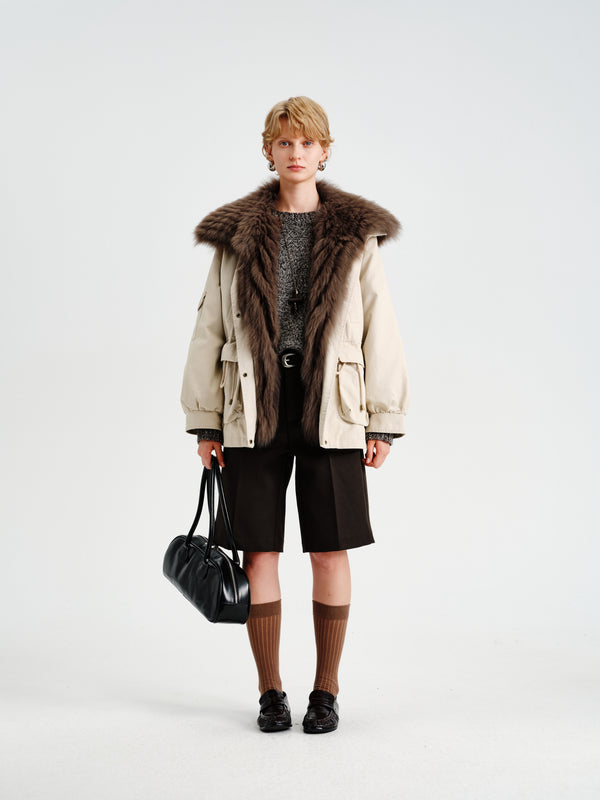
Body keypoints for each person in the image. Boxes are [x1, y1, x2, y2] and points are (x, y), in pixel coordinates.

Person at [180, 96, 409, 733]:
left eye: (307, 142)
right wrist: (205, 421)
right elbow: (208, 328)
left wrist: (383, 419)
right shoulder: (235, 235)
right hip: (252, 407)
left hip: (332, 408)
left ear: (325, 151)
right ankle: (270, 692)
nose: (296, 152)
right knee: (259, 554)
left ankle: (326, 691)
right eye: (284, 142)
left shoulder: (356, 236)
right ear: (268, 151)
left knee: (330, 550)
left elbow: (381, 328)